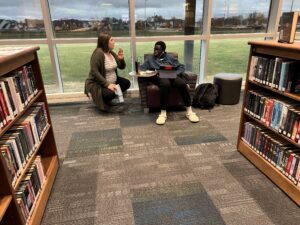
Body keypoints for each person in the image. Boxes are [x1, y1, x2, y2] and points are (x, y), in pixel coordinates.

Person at [140, 41, 199, 125]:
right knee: (165, 84)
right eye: (154, 49)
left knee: (182, 83)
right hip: (159, 77)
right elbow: (142, 68)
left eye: (157, 49)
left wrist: (176, 73)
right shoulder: (150, 59)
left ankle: (189, 111)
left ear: (163, 51)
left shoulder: (170, 58)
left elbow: (181, 66)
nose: (155, 51)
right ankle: (163, 113)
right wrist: (152, 71)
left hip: (172, 76)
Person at [85, 32, 130, 111]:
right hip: (99, 84)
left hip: (112, 81)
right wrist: (107, 84)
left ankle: (108, 98)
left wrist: (121, 59)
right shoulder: (98, 53)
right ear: (106, 42)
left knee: (126, 83)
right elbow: (94, 72)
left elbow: (121, 67)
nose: (114, 42)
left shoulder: (111, 53)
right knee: (110, 93)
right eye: (112, 40)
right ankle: (104, 99)